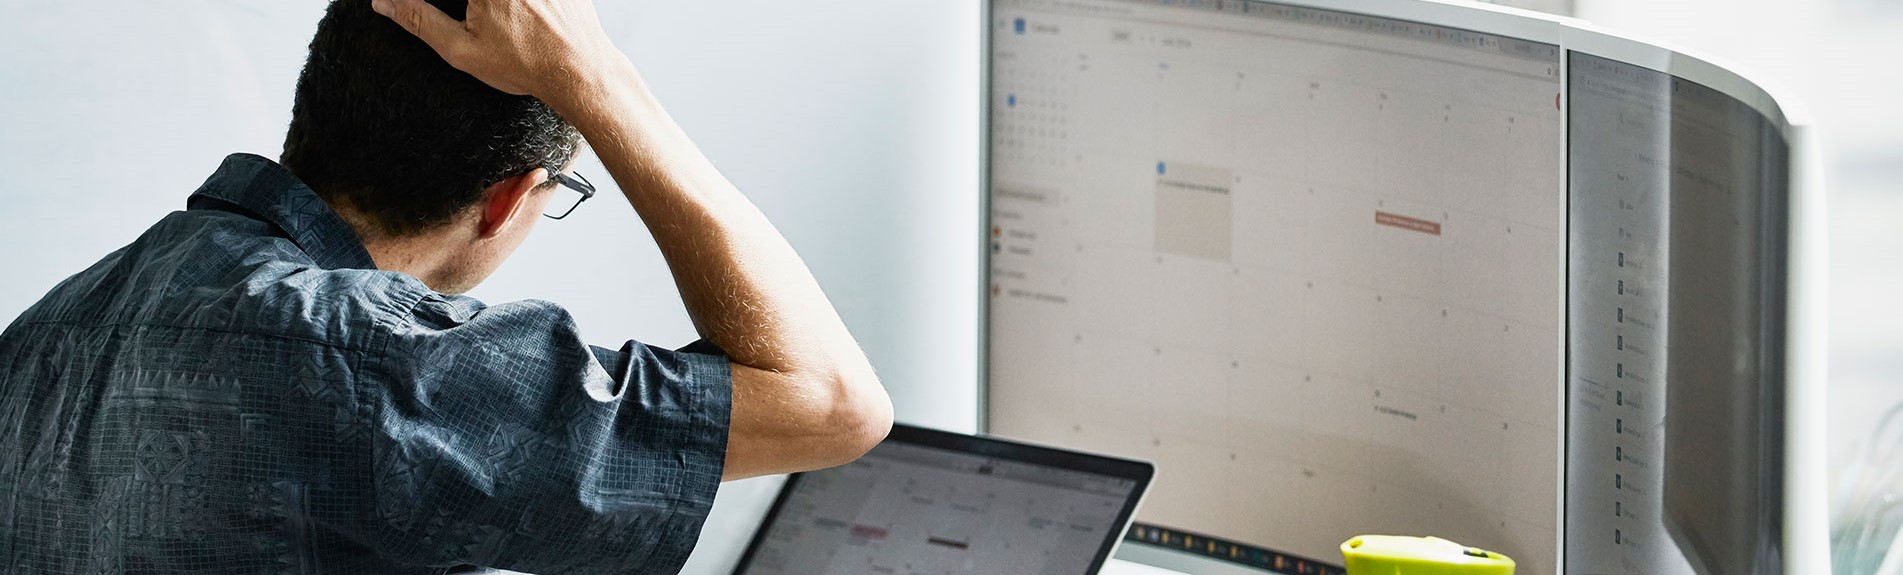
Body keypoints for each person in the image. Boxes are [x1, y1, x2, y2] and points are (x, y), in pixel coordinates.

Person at [0, 0, 893, 572]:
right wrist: (602, 85)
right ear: (507, 199)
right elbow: (833, 402)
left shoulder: (56, 323)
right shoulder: (365, 359)